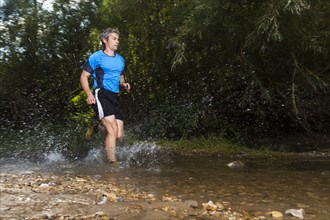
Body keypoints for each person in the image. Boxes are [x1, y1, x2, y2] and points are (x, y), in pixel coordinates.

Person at [80, 27, 131, 163]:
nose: (117, 41)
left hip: (114, 96)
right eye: (114, 38)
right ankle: (112, 162)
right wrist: (89, 94)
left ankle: (96, 128)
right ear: (105, 40)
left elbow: (120, 77)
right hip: (101, 94)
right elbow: (84, 76)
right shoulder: (96, 57)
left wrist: (124, 84)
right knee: (113, 129)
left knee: (119, 134)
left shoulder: (120, 60)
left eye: (118, 39)